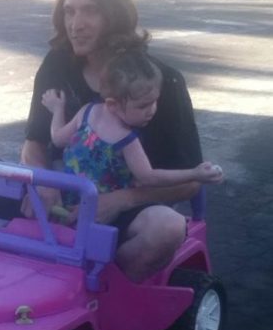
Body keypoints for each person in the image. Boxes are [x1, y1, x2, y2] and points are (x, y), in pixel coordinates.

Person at [0, 0, 205, 282]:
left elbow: (191, 182)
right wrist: (41, 181)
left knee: (167, 228)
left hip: (118, 211)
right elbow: (35, 143)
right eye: (69, 12)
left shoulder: (162, 82)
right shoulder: (57, 64)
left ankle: (103, 289)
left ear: (116, 14)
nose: (76, 24)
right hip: (51, 200)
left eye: (90, 10)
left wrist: (121, 200)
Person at [41, 44, 223, 217]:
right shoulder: (126, 140)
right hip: (95, 211)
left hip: (70, 200)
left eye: (155, 101)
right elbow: (149, 177)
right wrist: (194, 173)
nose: (152, 110)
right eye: (143, 105)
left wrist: (58, 110)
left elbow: (57, 138)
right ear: (112, 104)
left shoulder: (87, 112)